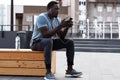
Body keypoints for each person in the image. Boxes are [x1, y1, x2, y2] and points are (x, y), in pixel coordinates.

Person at [30, 1, 82, 80]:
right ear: (50, 9)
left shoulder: (56, 19)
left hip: (48, 43)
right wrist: (60, 26)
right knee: (48, 41)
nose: (58, 11)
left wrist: (66, 27)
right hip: (36, 43)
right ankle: (48, 72)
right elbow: (45, 35)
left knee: (69, 42)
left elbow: (61, 37)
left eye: (58, 9)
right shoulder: (41, 17)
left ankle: (69, 69)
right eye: (56, 9)